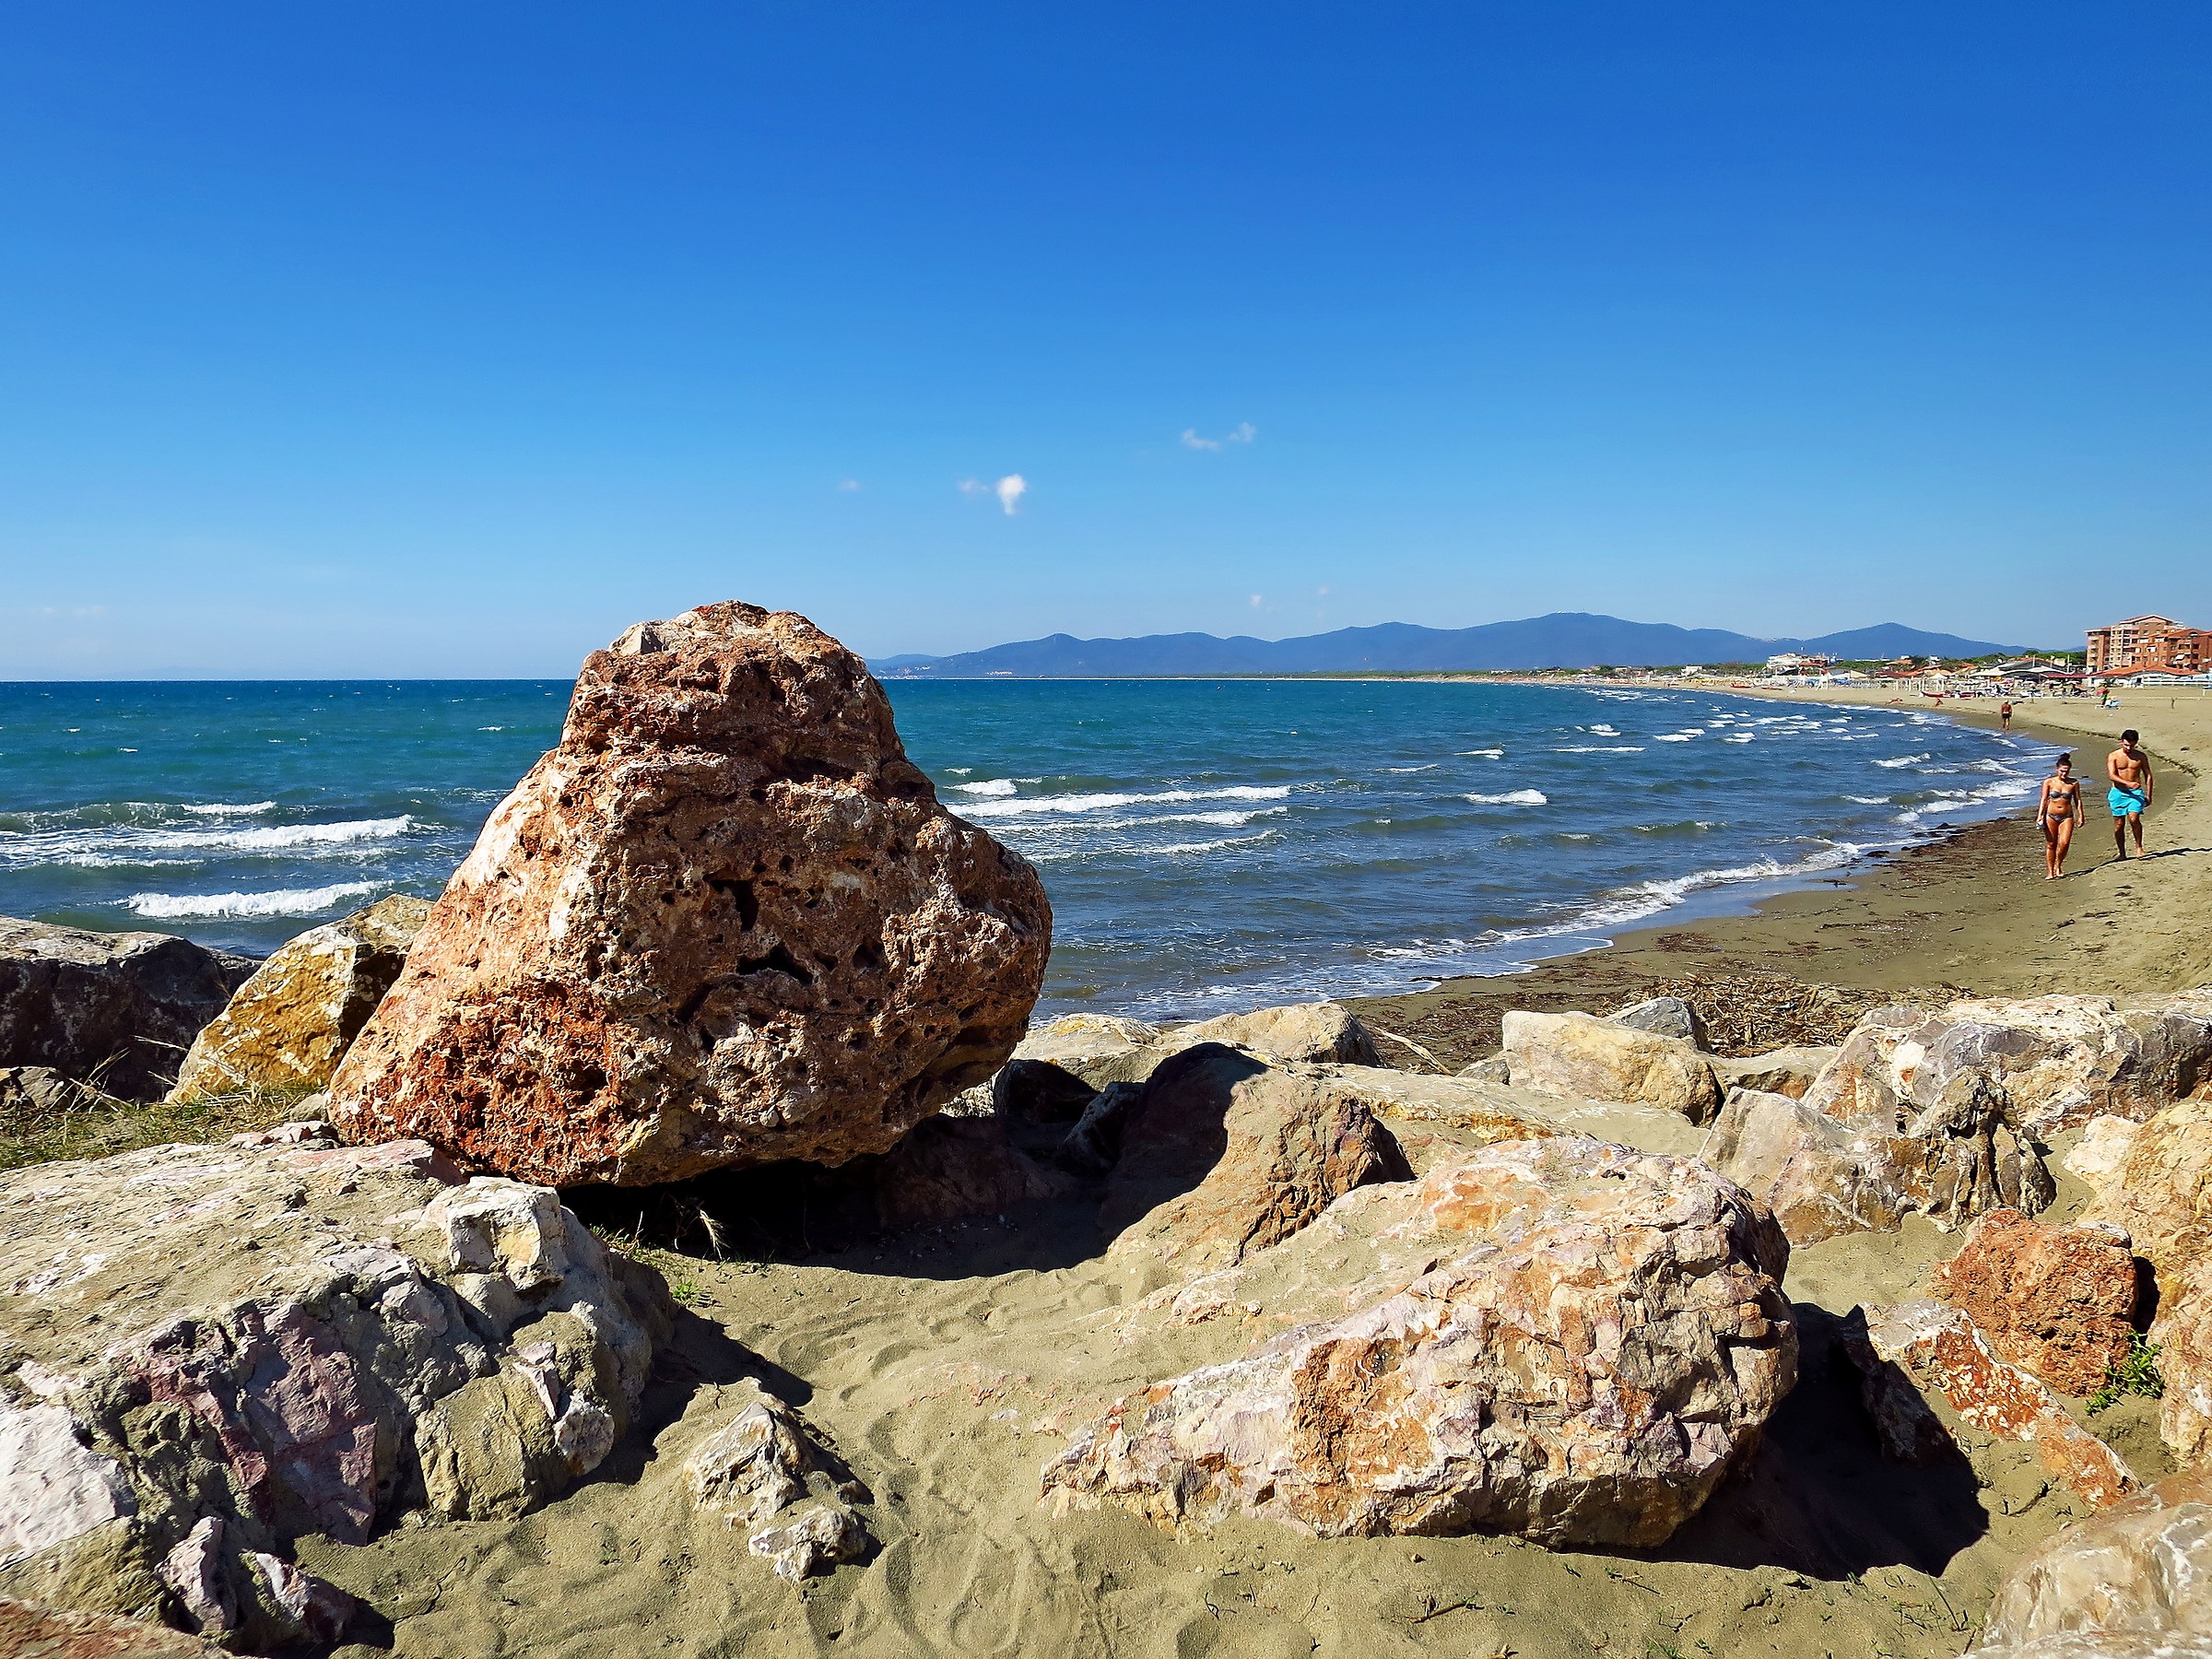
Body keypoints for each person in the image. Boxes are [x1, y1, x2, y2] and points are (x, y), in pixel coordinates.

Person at [2106, 729, 2154, 860]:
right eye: (2126, 745)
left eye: (2132, 745)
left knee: (2134, 819)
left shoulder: (2141, 756)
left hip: (2136, 793)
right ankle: (2122, 853)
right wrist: (2127, 783)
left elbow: (2148, 775)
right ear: (2121, 742)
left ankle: (2139, 848)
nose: (2128, 748)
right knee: (2119, 824)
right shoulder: (2114, 756)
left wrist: (2149, 794)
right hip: (2118, 793)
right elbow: (2112, 775)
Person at [2036, 754, 2084, 879]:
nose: (2064, 774)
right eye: (2062, 771)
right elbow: (2044, 799)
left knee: (2064, 842)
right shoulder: (2049, 782)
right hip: (2050, 816)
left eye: (2067, 772)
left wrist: (2081, 816)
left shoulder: (2073, 783)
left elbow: (2078, 800)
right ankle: (2050, 871)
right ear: (2057, 769)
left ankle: (2059, 865)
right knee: (2051, 844)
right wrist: (2040, 815)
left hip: (2067, 816)